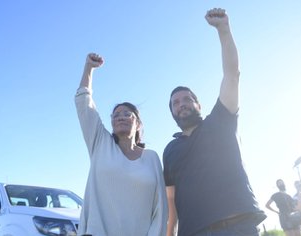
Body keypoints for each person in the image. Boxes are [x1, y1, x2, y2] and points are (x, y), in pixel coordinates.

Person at [163, 8, 266, 236]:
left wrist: (223, 30)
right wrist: (169, 232)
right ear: (172, 112)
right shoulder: (169, 150)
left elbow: (232, 74)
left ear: (198, 105)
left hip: (239, 227)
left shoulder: (221, 120)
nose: (182, 104)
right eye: (176, 102)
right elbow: (171, 200)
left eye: (187, 99)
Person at [75, 53, 168, 236]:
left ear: (138, 123)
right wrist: (88, 68)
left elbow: (161, 208)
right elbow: (84, 104)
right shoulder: (100, 144)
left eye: (127, 114)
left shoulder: (151, 158)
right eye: (116, 115)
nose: (121, 117)